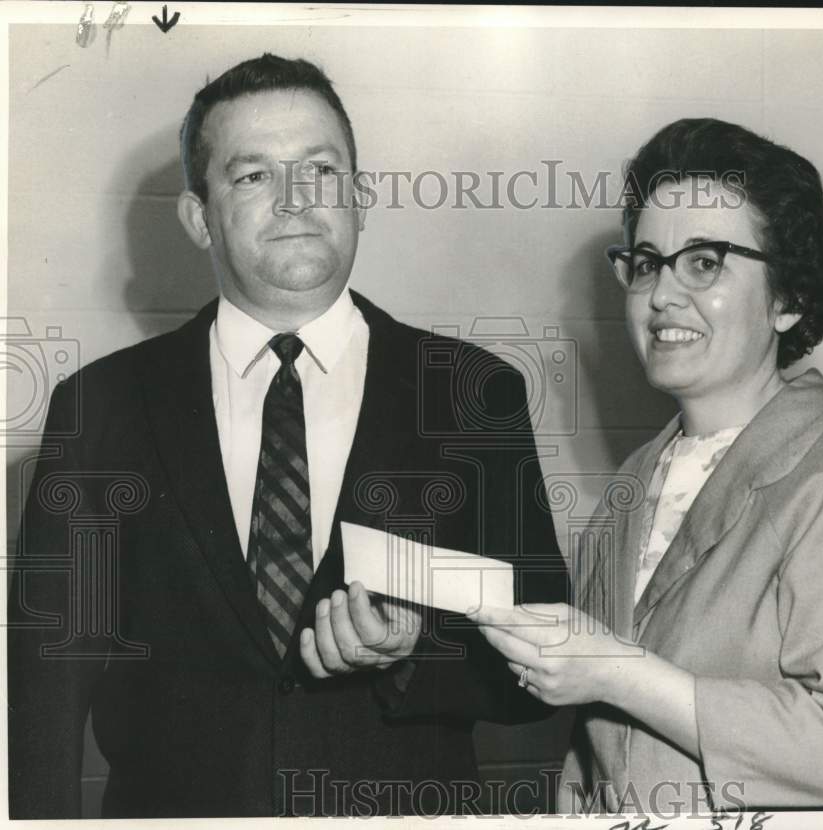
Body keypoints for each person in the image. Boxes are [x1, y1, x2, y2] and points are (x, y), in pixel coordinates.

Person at [7, 53, 566, 818]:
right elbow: (44, 693)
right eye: (252, 176)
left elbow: (543, 659)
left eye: (321, 171)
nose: (297, 199)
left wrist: (411, 655)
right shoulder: (100, 406)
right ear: (199, 217)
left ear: (361, 198)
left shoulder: (472, 394)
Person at [471, 118, 823, 813]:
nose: (661, 294)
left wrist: (614, 672)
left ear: (789, 299)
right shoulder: (634, 481)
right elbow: (595, 757)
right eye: (648, 260)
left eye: (704, 261)